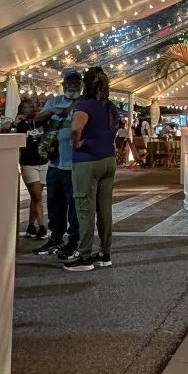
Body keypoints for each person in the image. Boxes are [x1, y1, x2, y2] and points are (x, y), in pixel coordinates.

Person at [64, 67, 121, 272]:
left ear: (86, 84)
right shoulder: (111, 107)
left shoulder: (85, 105)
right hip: (108, 159)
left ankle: (85, 256)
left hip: (87, 161)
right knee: (105, 209)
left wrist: (76, 143)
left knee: (84, 209)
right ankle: (105, 253)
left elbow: (76, 128)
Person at [35, 70, 83, 259]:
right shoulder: (54, 101)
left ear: (81, 85)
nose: (72, 85)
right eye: (68, 82)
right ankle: (55, 238)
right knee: (55, 204)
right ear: (63, 85)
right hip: (55, 163)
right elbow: (37, 120)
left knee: (74, 205)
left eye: (76, 82)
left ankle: (74, 241)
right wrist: (52, 111)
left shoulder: (84, 103)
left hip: (75, 164)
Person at [17, 114, 49, 239]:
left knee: (35, 198)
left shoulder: (42, 123)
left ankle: (31, 226)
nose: (32, 109)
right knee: (37, 196)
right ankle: (41, 226)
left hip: (42, 162)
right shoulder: (21, 126)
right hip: (28, 164)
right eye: (28, 106)